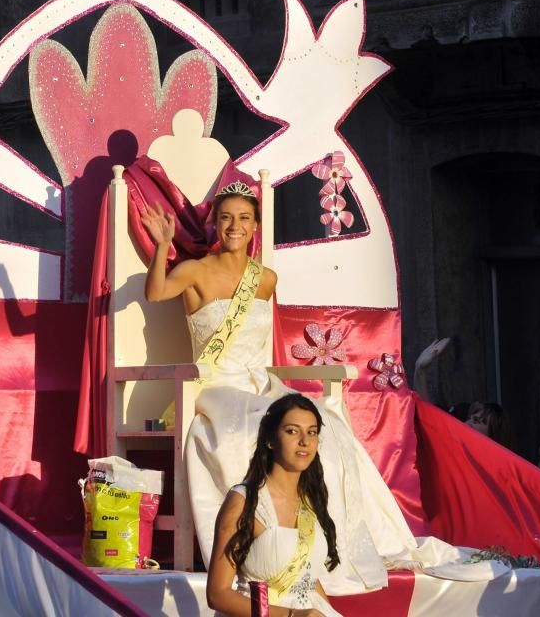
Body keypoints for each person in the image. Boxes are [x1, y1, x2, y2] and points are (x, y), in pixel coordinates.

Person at [141, 182, 508, 596]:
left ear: (256, 225)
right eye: (225, 217)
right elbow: (155, 293)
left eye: (244, 218)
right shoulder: (195, 270)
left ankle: (322, 545)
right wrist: (162, 246)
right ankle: (261, 545)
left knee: (322, 425)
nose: (234, 226)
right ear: (215, 223)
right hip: (216, 385)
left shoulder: (266, 278)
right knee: (255, 428)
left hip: (260, 382)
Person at [207, 394, 341, 617]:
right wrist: (292, 615)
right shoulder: (244, 501)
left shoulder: (311, 499)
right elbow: (217, 594)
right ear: (270, 440)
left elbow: (305, 579)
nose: (305, 441)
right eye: (292, 431)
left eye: (312, 432)